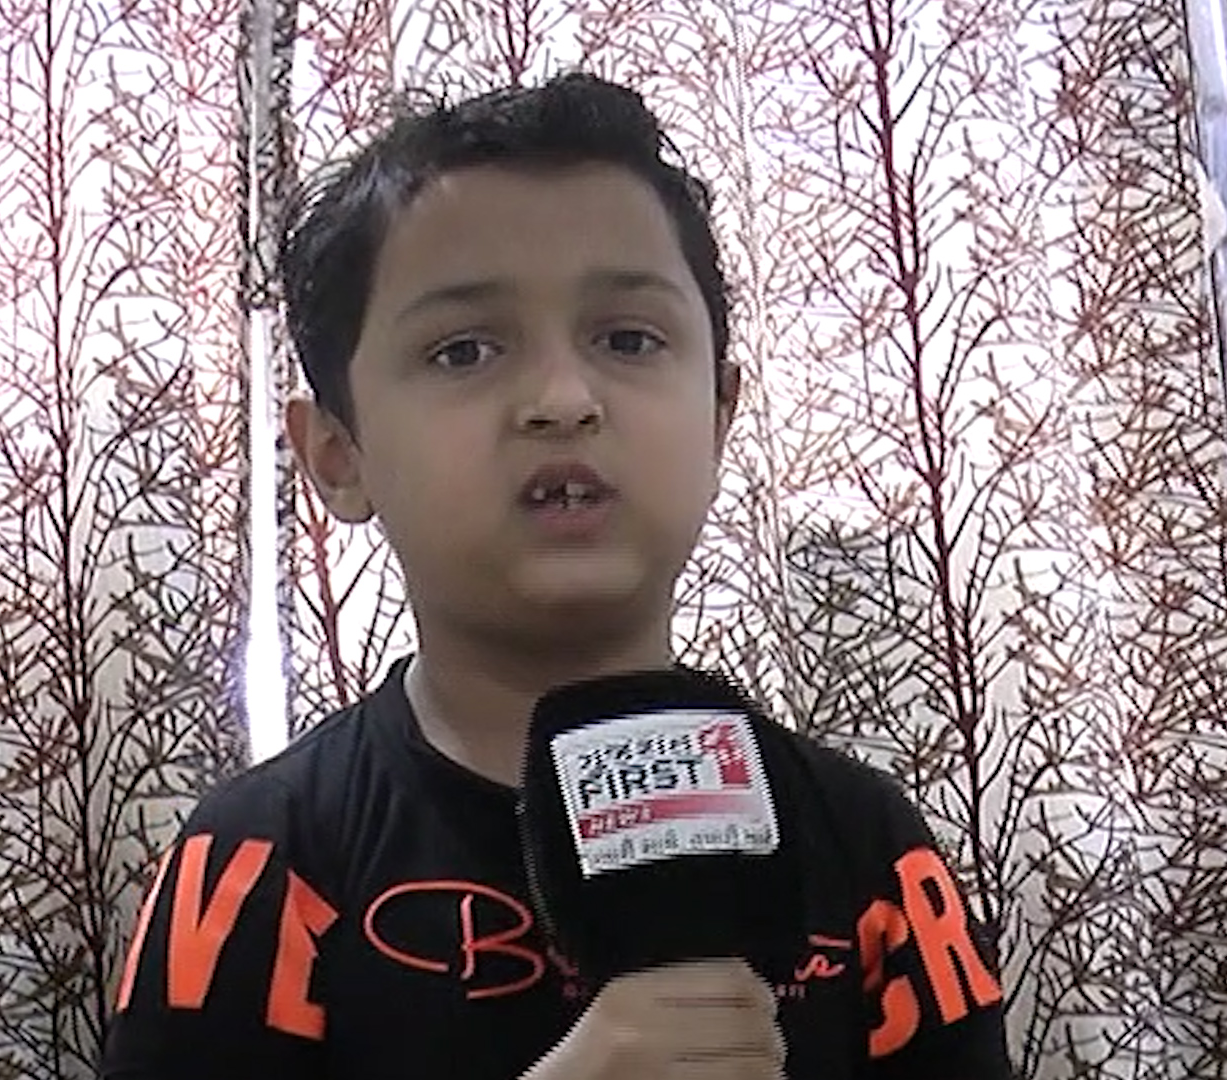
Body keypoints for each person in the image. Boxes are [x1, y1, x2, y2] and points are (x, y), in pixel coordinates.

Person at [97, 71, 1013, 1079]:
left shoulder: (868, 849)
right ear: (336, 456)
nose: (564, 397)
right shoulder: (256, 863)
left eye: (628, 338)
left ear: (720, 414)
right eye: (464, 351)